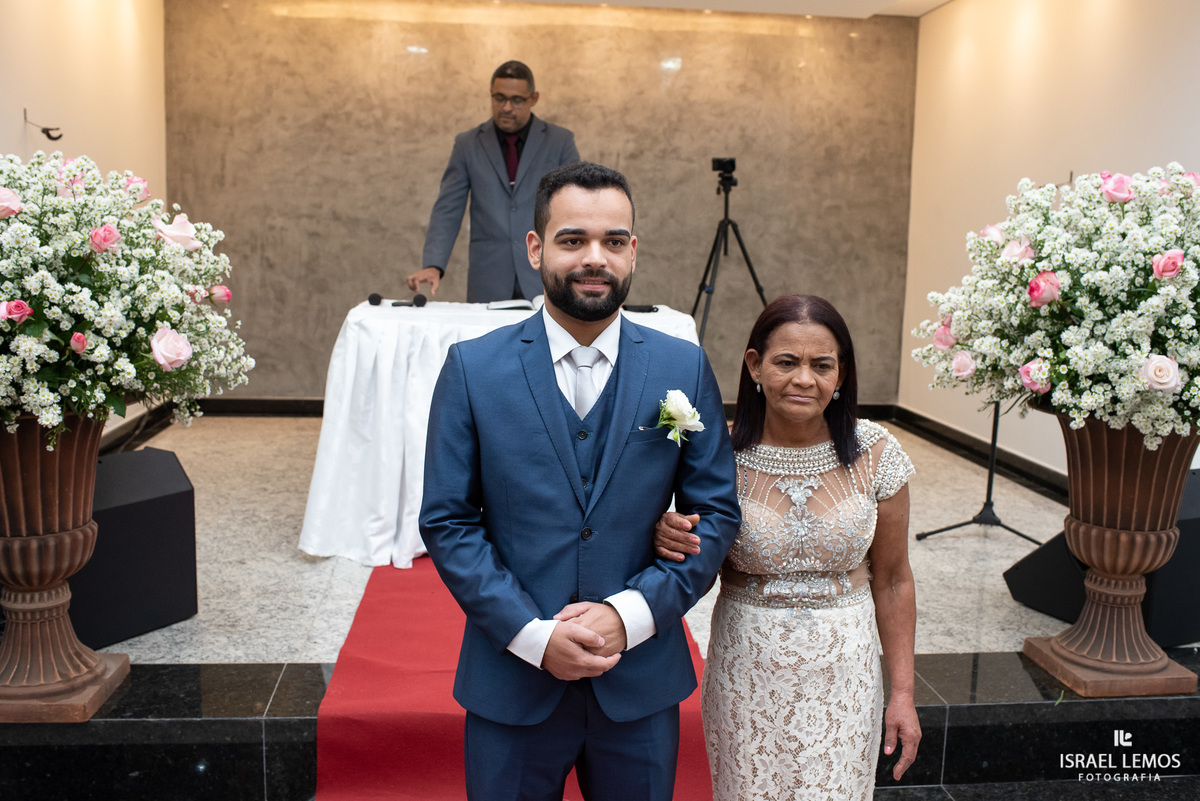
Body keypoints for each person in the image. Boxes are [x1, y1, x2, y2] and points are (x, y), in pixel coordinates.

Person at [419, 161, 741, 800]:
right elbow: (448, 521)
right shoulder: (473, 370)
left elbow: (717, 513)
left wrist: (631, 615)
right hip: (513, 678)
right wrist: (532, 635)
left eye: (613, 241)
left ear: (633, 251)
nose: (595, 258)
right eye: (573, 240)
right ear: (535, 248)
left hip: (639, 681)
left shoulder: (681, 365)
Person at [654, 294, 921, 800]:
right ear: (755, 365)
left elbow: (892, 580)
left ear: (841, 374)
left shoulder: (877, 453)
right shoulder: (717, 456)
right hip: (747, 671)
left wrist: (903, 694)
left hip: (846, 673)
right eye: (786, 362)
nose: (804, 379)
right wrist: (669, 536)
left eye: (822, 365)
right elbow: (698, 575)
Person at [408, 60, 580, 303]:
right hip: (488, 278)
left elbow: (576, 209)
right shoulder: (467, 144)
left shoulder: (560, 142)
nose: (506, 107)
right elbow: (448, 209)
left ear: (533, 98)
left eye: (516, 100)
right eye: (499, 98)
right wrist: (433, 264)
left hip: (544, 275)